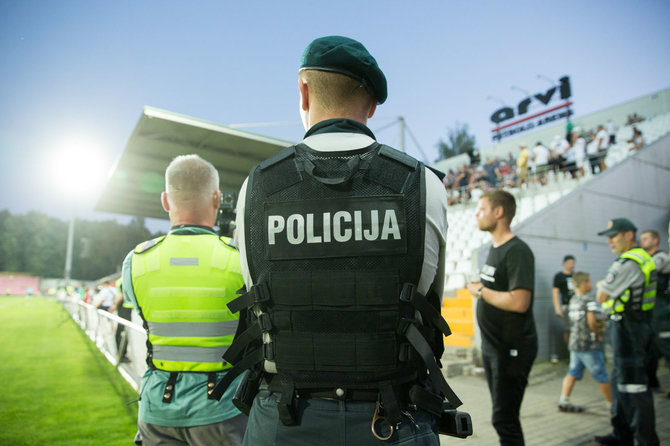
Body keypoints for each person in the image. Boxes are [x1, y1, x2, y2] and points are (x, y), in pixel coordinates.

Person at [213, 36, 462, 446]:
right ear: (373, 105)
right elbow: (429, 301)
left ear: (304, 90)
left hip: (285, 421)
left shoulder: (255, 188)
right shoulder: (423, 185)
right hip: (393, 419)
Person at [121, 154, 246, 446]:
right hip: (221, 409)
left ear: (165, 200)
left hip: (156, 410)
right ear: (217, 198)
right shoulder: (239, 256)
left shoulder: (136, 260)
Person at [467, 190, 537, 445]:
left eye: (482, 209)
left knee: (504, 419)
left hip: (511, 350)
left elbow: (519, 302)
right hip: (494, 347)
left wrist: (481, 291)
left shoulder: (517, 250)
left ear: (498, 213)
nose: (477, 214)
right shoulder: (494, 249)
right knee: (502, 417)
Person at [594, 218, 659, 446]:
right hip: (634, 327)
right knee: (619, 383)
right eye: (608, 237)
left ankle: (646, 440)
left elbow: (602, 295)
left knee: (634, 388)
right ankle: (621, 434)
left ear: (630, 235)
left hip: (628, 331)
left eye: (615, 235)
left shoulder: (626, 263)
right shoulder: (641, 257)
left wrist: (601, 285)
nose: (610, 241)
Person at [557, 271, 612, 413]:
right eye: (589, 281)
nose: (591, 284)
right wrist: (598, 334)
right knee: (600, 373)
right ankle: (612, 405)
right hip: (588, 344)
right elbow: (592, 321)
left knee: (573, 371)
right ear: (583, 283)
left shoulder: (574, 300)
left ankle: (564, 400)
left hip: (574, 343)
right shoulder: (589, 300)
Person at [640, 229, 670, 393]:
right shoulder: (646, 259)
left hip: (660, 309)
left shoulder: (661, 258)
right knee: (649, 349)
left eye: (645, 238)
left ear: (656, 240)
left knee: (666, 346)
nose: (642, 241)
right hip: (649, 309)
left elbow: (646, 274)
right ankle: (652, 383)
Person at [551, 255, 576, 363]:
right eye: (569, 263)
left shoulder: (575, 276)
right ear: (564, 263)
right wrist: (558, 308)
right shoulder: (559, 276)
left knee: (576, 330)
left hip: (576, 306)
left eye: (573, 263)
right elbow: (555, 293)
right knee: (568, 330)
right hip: (566, 306)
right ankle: (570, 354)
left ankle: (576, 354)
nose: (572, 265)